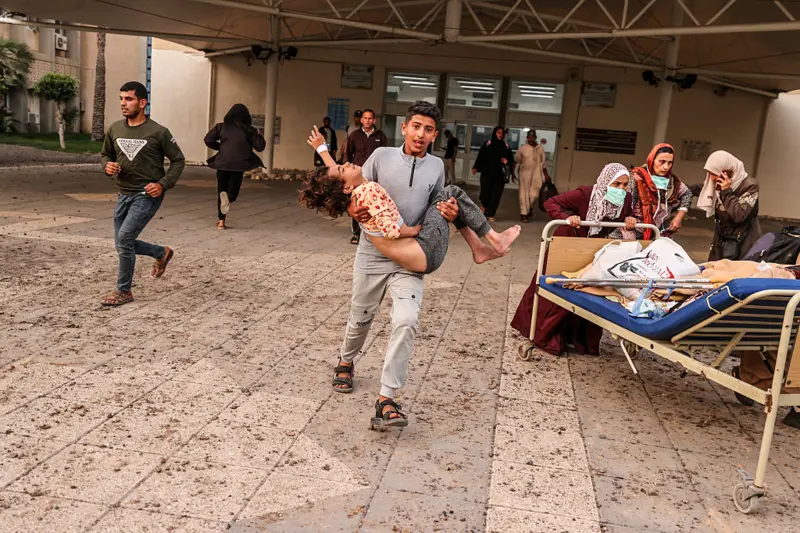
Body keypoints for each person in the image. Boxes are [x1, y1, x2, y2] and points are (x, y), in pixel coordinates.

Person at [324, 101, 462, 429]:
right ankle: (346, 360)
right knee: (361, 317)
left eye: (428, 129)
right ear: (404, 127)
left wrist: (449, 213)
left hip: (409, 255)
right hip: (373, 253)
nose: (421, 134)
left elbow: (435, 206)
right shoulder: (381, 156)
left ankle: (386, 397)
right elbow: (354, 189)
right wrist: (351, 210)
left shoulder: (436, 167)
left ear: (434, 135)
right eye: (416, 126)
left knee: (407, 320)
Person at [302, 126, 521, 273]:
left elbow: (335, 178)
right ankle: (492, 239)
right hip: (424, 251)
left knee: (448, 200)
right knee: (451, 192)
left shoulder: (356, 193)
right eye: (343, 167)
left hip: (420, 255)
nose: (346, 163)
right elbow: (392, 231)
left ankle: (479, 247)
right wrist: (414, 230)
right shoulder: (368, 190)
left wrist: (322, 149)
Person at [510, 163, 638, 356]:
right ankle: (541, 331)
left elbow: (628, 215)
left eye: (625, 185)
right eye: (616, 184)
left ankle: (576, 338)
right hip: (568, 242)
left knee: (585, 289)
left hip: (594, 247)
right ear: (605, 181)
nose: (621, 189)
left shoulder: (626, 199)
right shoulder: (584, 194)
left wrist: (630, 220)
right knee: (556, 286)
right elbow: (551, 203)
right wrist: (567, 218)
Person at [100, 81, 185, 307]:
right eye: (121, 99)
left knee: (124, 239)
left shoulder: (159, 132)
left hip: (147, 195)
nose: (123, 103)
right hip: (123, 193)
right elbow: (106, 155)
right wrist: (107, 166)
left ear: (142, 103)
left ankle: (124, 291)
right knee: (122, 243)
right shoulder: (115, 129)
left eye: (128, 99)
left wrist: (163, 184)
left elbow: (178, 160)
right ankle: (161, 252)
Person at [204, 103, 266, 230]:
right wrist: (259, 135)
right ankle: (229, 198)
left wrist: (220, 148)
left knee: (221, 191)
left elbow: (208, 139)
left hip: (222, 163)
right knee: (232, 192)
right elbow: (260, 147)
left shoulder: (221, 127)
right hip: (239, 165)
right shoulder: (249, 129)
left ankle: (221, 222)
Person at [690, 150, 761, 261]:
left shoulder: (750, 186)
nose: (712, 178)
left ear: (727, 171)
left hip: (743, 242)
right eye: (709, 173)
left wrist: (726, 191)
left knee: (736, 270)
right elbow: (701, 189)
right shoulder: (716, 183)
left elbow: (739, 215)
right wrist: (678, 188)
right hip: (722, 239)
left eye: (714, 174)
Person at [629, 143, 692, 240]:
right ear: (652, 160)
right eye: (662, 162)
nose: (666, 167)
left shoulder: (672, 181)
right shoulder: (637, 177)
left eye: (670, 163)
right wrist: (628, 217)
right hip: (635, 230)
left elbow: (687, 194)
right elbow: (627, 203)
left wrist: (678, 217)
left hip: (661, 232)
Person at [345, 109, 389, 245]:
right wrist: (347, 173)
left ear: (374, 120)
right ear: (361, 120)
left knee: (373, 203)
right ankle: (356, 233)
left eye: (370, 118)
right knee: (357, 203)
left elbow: (386, 155)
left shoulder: (380, 136)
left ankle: (372, 233)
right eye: (365, 118)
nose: (367, 121)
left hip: (374, 176)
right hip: (358, 175)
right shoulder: (354, 135)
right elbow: (348, 154)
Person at [472, 126, 513, 222]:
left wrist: (507, 161)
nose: (500, 135)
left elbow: (511, 159)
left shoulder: (505, 147)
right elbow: (481, 155)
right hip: (487, 173)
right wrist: (475, 167)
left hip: (499, 175)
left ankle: (491, 213)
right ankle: (484, 207)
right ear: (495, 133)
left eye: (502, 133)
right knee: (485, 193)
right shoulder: (488, 144)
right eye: (498, 132)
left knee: (496, 195)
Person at [514, 128, 547, 223]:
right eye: (529, 137)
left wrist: (546, 175)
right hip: (524, 173)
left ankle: (530, 208)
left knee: (535, 194)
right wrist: (512, 173)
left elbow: (543, 163)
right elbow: (516, 160)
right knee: (523, 193)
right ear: (527, 138)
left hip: (537, 173)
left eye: (532, 137)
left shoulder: (540, 148)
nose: (531, 139)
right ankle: (524, 214)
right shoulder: (523, 148)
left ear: (535, 137)